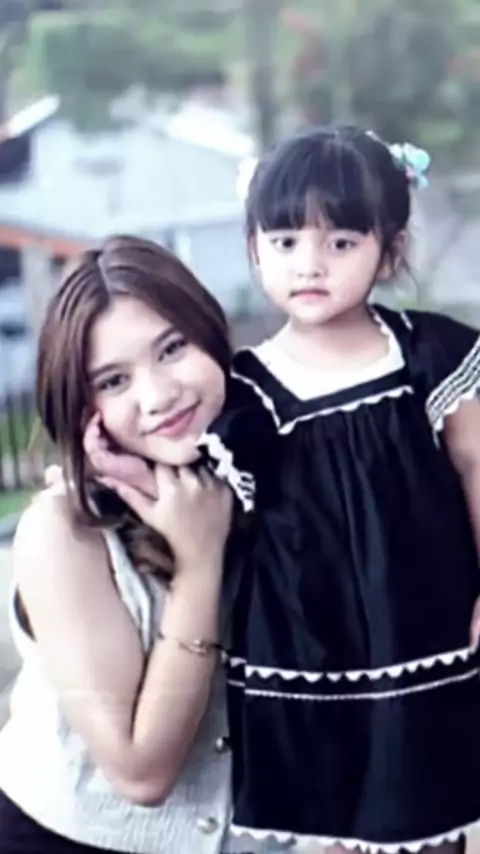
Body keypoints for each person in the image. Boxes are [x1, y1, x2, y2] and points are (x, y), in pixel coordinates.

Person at [193, 126, 480, 853]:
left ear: (391, 248)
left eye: (341, 242)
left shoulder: (428, 356)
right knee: (332, 831)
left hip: (427, 630)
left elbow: (478, 469)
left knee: (437, 820)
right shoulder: (246, 391)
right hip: (308, 651)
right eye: (285, 241)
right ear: (255, 246)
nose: (310, 264)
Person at [0, 235, 240, 854]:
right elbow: (140, 771)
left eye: (173, 348)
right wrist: (198, 564)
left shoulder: (273, 482)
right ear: (83, 407)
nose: (158, 396)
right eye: (113, 380)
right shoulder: (62, 532)